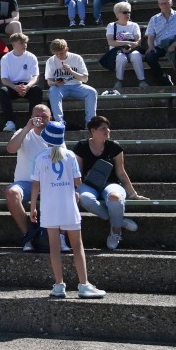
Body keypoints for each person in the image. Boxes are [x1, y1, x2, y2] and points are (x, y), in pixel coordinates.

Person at [30, 120, 107, 298]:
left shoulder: (40, 157)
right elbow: (78, 182)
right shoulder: (70, 156)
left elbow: (35, 185)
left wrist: (33, 207)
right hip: (68, 206)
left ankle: (59, 285)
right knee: (77, 246)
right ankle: (84, 284)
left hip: (49, 207)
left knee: (54, 247)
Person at [73, 115, 145, 250]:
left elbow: (121, 172)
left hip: (111, 183)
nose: (107, 131)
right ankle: (118, 220)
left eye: (108, 128)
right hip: (89, 184)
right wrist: (74, 189)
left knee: (115, 198)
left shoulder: (114, 147)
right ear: (93, 131)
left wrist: (133, 194)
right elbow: (77, 172)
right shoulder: (81, 146)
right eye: (103, 129)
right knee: (85, 198)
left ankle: (116, 230)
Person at [3, 104, 67, 253]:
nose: (40, 118)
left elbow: (63, 160)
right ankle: (28, 236)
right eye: (37, 115)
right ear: (31, 116)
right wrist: (27, 129)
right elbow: (11, 149)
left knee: (70, 196)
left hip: (50, 182)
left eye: (44, 115)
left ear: (50, 118)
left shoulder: (55, 133)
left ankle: (62, 237)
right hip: (25, 181)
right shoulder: (22, 132)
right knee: (12, 193)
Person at [45, 38, 97, 127]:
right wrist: (55, 83)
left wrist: (71, 71)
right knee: (53, 90)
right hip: (60, 88)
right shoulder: (51, 61)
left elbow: (85, 79)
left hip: (76, 85)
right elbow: (49, 81)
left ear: (66, 49)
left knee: (92, 92)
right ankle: (59, 123)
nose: (59, 56)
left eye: (61, 53)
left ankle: (90, 123)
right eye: (56, 54)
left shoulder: (76, 58)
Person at [0, 33, 42, 132]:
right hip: (12, 86)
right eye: (21, 43)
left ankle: (33, 122)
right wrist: (15, 87)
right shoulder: (5, 58)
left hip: (28, 85)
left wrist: (28, 86)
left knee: (37, 90)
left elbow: (35, 77)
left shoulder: (31, 57)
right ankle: (10, 122)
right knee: (3, 91)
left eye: (25, 43)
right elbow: (4, 79)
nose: (25, 45)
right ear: (13, 45)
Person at [101, 2, 147, 95]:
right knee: (121, 58)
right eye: (125, 12)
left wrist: (130, 47)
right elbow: (111, 42)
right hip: (117, 50)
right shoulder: (111, 26)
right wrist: (127, 44)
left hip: (133, 49)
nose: (128, 14)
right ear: (117, 14)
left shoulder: (134, 25)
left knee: (136, 56)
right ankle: (118, 81)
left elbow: (138, 41)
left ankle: (142, 81)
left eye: (129, 12)